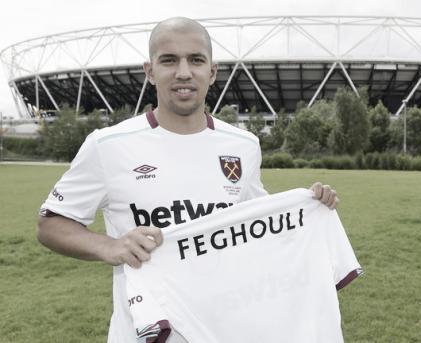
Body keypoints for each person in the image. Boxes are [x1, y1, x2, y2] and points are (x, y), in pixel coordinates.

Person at [37, 17, 338, 343]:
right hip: (143, 334)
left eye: (196, 59)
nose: (183, 72)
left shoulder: (243, 145)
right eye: (169, 60)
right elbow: (50, 225)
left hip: (226, 329)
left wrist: (309, 209)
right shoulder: (107, 145)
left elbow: (258, 227)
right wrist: (111, 246)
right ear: (149, 71)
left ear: (212, 71)